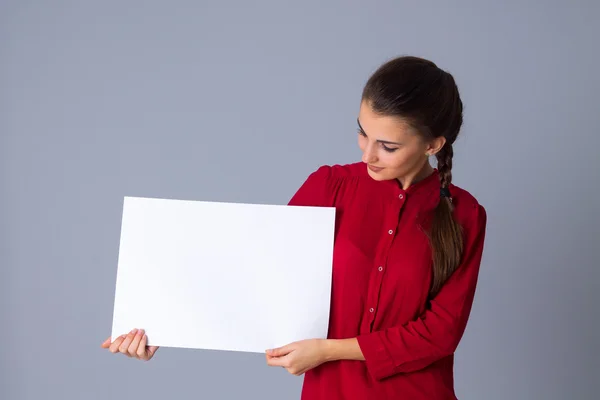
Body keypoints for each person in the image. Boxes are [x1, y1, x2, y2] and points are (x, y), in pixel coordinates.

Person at [102, 55, 487, 399]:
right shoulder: (329, 187)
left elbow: (440, 334)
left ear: (433, 145)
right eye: (362, 132)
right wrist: (163, 327)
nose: (366, 153)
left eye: (387, 146)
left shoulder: (464, 214)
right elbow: (253, 279)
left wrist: (329, 350)